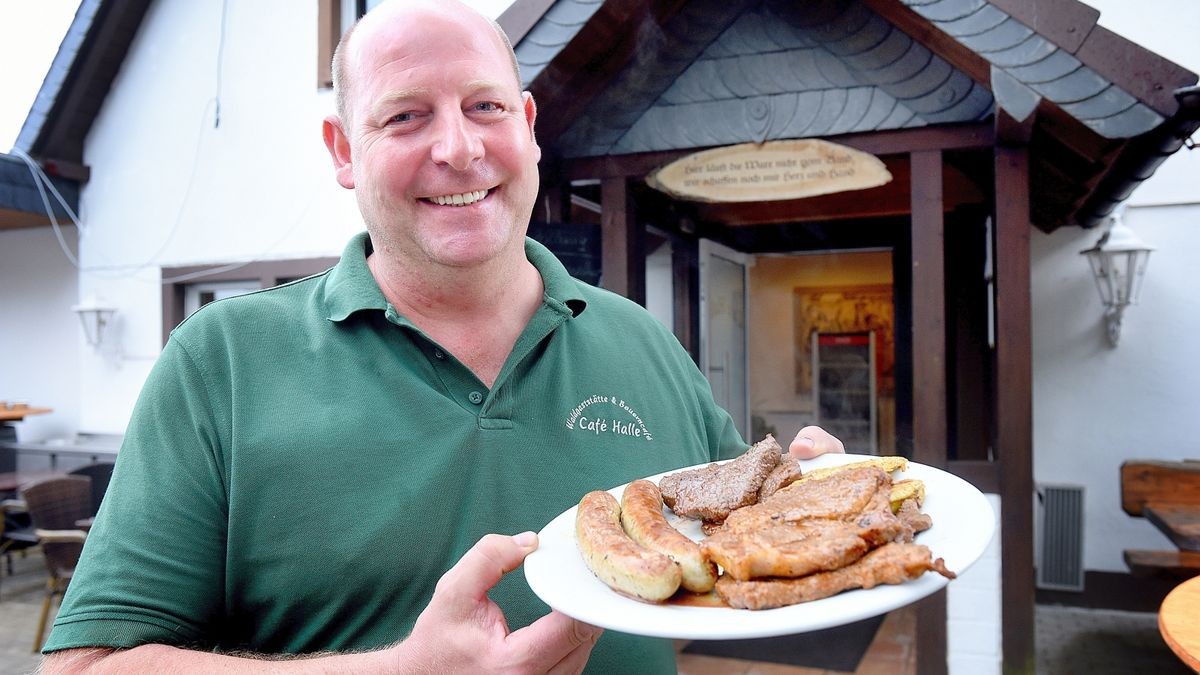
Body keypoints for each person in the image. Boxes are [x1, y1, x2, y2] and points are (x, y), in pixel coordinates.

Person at [39, 1, 843, 672]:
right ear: (344, 151)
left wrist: (802, 524)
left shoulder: (644, 341)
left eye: (485, 106)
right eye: (405, 115)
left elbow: (703, 584)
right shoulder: (221, 363)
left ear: (527, 127)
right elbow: (85, 665)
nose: (458, 149)